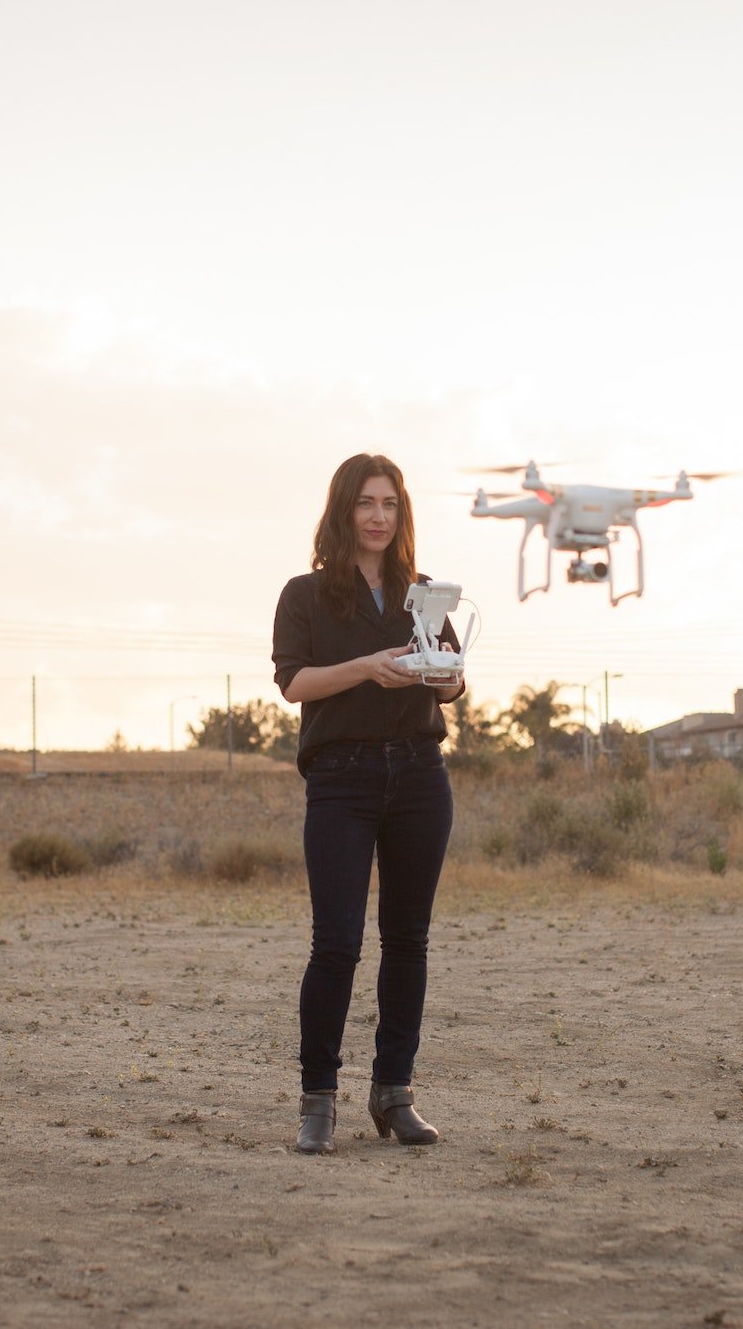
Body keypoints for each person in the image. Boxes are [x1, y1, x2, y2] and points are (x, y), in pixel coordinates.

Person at [271, 453, 466, 1154]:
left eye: (389, 503)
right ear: (343, 511)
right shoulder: (306, 595)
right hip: (342, 780)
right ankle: (318, 1098)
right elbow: (294, 683)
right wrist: (367, 667)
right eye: (365, 503)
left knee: (408, 941)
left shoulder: (425, 594)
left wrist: (445, 677)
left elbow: (448, 685)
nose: (378, 516)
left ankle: (394, 1092)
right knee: (337, 944)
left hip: (419, 775)